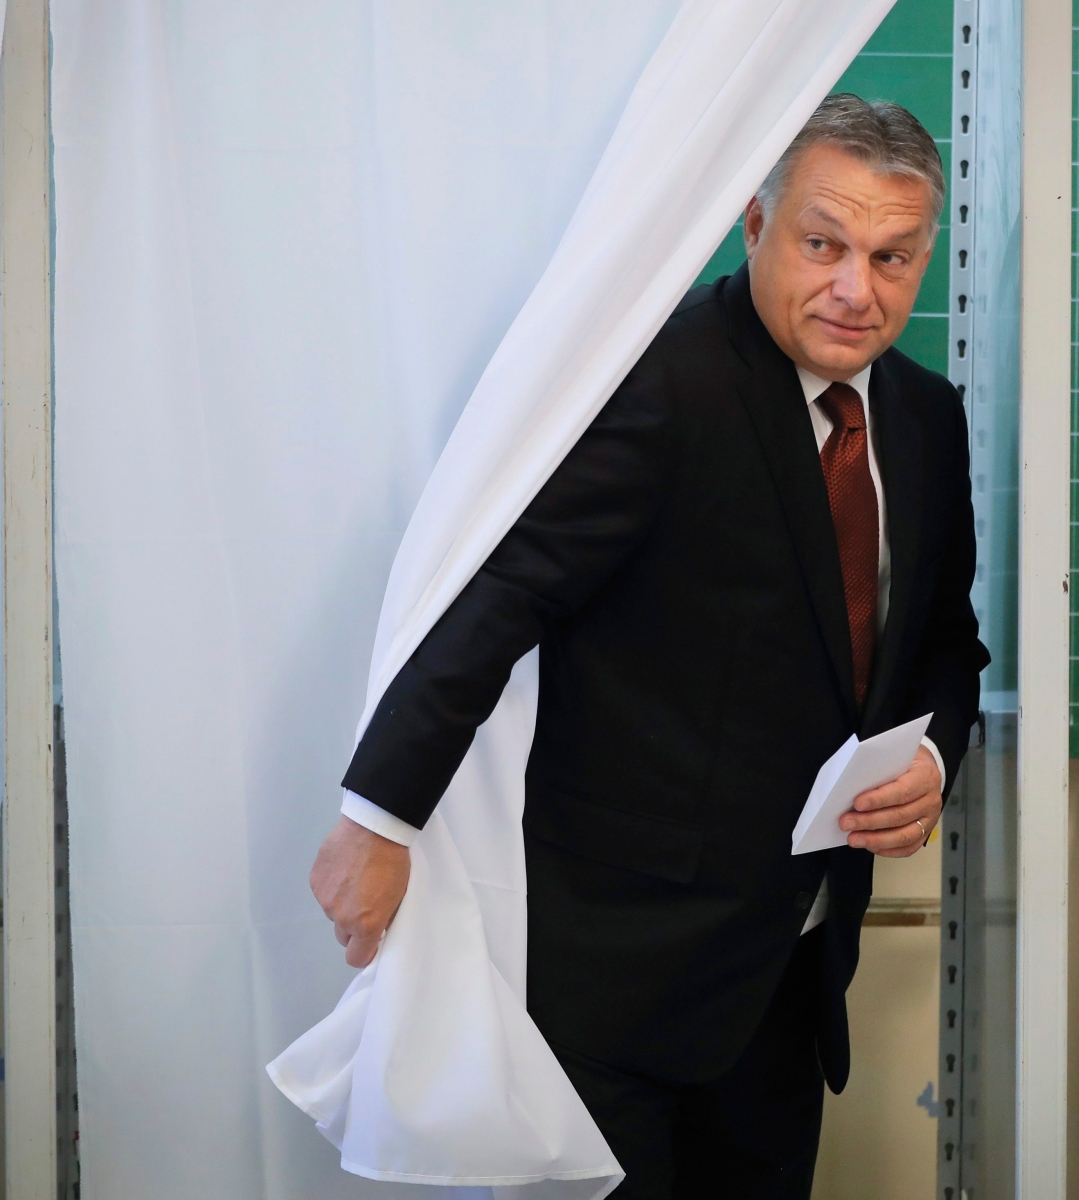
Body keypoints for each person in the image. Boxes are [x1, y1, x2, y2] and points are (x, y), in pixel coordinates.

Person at [308, 93, 987, 1200]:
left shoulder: (923, 417)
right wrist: (376, 818)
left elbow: (948, 647)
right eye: (825, 244)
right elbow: (499, 597)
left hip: (793, 964)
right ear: (755, 226)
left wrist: (935, 760)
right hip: (615, 979)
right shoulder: (658, 382)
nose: (858, 289)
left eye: (894, 256)